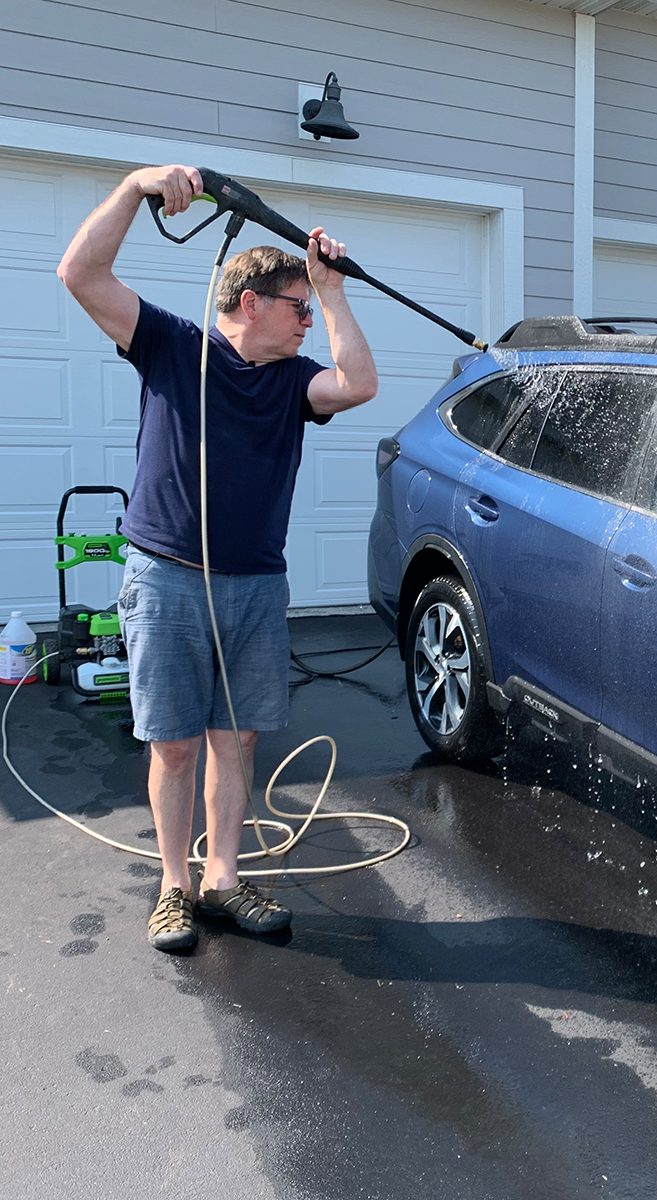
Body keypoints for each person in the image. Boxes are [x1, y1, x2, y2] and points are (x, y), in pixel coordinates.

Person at [57, 164, 378, 952]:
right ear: (249, 303)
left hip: (256, 588)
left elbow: (361, 383)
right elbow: (80, 273)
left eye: (310, 312)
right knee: (172, 743)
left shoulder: (296, 381)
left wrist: (332, 293)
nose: (306, 323)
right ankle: (174, 885)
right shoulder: (172, 346)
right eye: (298, 310)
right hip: (166, 579)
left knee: (234, 740)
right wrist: (136, 187)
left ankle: (223, 879)